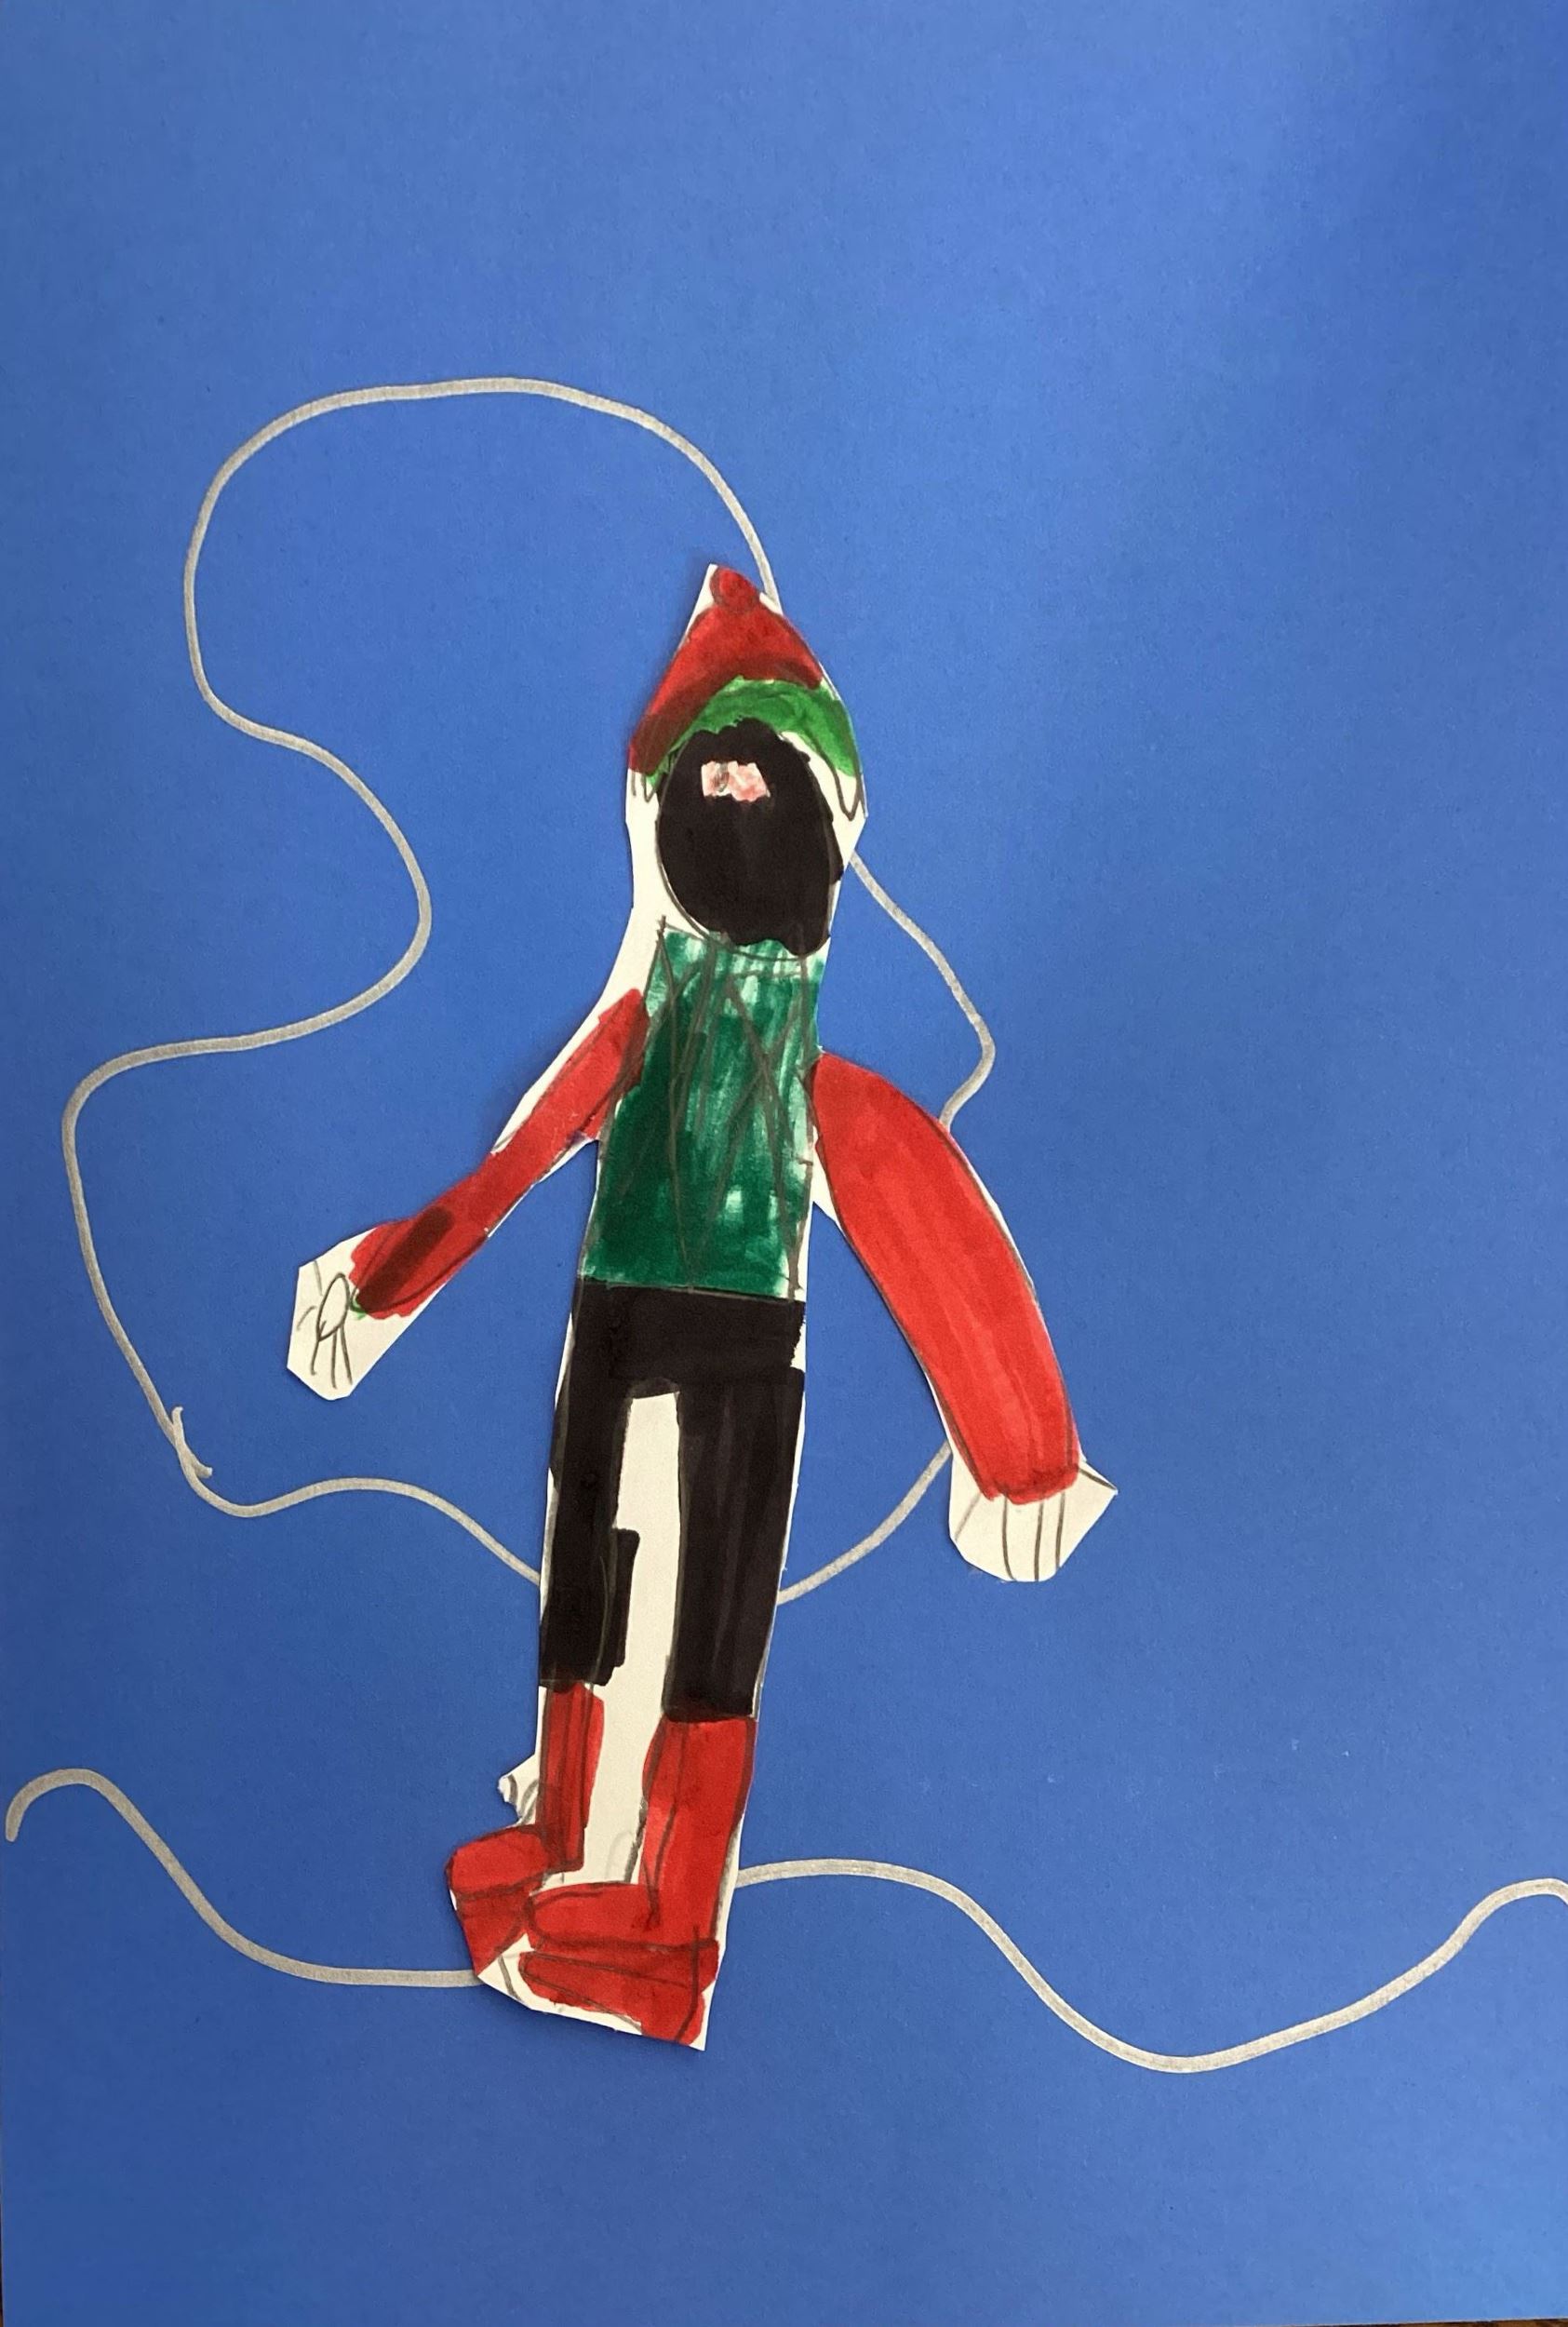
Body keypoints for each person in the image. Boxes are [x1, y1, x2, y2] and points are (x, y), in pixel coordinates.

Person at [288, 566, 1113, 2045]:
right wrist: (386, 1276)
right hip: (611, 1340)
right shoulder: (637, 1029)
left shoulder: (810, 1080)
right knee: (588, 1611)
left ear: (824, 825)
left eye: (762, 778)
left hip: (738, 1356)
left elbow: (928, 1225)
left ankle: (668, 1919)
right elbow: (514, 1164)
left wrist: (1022, 1454)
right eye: (707, 777)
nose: (731, 803)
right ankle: (568, 1846)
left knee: (702, 1643)